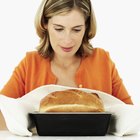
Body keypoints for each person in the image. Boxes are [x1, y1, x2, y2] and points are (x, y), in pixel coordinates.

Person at [0, 0, 133, 103]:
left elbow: (130, 116)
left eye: (76, 30)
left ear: (86, 27)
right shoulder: (30, 64)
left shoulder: (102, 60)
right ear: (45, 24)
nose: (67, 40)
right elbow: (2, 109)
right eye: (59, 29)